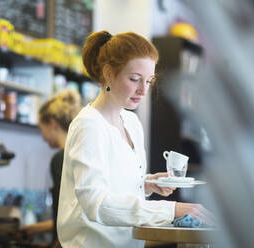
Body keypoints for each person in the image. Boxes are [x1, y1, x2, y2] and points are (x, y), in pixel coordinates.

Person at [57, 30, 214, 248]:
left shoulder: (132, 123)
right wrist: (172, 210)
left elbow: (115, 185)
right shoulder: (89, 125)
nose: (143, 90)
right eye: (134, 79)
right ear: (109, 73)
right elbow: (97, 203)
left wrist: (146, 184)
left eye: (149, 81)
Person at [28, 89, 81, 247]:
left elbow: (67, 215)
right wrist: (34, 229)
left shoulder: (61, 158)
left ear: (52, 123)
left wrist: (58, 243)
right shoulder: (78, 153)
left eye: (41, 127)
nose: (42, 136)